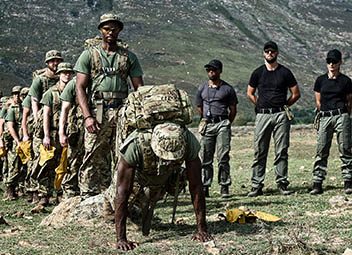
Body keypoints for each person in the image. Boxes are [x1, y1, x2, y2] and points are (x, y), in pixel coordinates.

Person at [75, 13, 144, 198]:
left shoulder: (129, 57)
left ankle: (118, 194)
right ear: (100, 30)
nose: (110, 32)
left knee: (124, 153)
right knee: (93, 153)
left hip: (122, 110)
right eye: (106, 28)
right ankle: (88, 194)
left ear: (119, 30)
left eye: (114, 28)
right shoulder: (88, 55)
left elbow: (139, 88)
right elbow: (80, 87)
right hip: (98, 110)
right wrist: (87, 116)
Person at [115, 122, 212, 251]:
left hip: (164, 177)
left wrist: (202, 229)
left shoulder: (188, 140)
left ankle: (148, 203)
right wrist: (121, 239)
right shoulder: (135, 144)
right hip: (138, 180)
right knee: (110, 209)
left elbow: (196, 186)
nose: (169, 160)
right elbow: (122, 191)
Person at [246, 41, 301, 197]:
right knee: (259, 150)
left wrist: (284, 106)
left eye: (272, 51)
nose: (270, 54)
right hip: (262, 114)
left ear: (277, 53)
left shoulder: (285, 72)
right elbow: (250, 93)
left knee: (281, 150)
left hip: (280, 115)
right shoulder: (257, 73)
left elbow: (296, 93)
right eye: (267, 51)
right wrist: (260, 104)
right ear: (263, 53)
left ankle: (282, 184)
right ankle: (256, 185)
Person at [310, 49, 352, 195]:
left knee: (346, 148)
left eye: (334, 61)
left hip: (341, 115)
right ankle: (317, 182)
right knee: (321, 149)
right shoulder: (320, 80)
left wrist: (345, 115)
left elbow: (349, 101)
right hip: (325, 116)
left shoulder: (346, 81)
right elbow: (318, 101)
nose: (331, 64)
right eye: (329, 61)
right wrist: (324, 114)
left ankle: (348, 181)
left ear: (340, 62)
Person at [195, 59, 238, 198]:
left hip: (222, 124)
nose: (211, 72)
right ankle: (205, 186)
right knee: (205, 157)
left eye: (213, 69)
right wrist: (205, 119)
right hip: (208, 124)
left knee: (223, 156)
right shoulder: (202, 88)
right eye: (208, 70)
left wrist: (226, 123)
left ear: (220, 71)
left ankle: (224, 186)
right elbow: (199, 107)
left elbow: (233, 109)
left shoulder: (227, 89)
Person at [35, 62, 74, 206]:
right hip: (52, 132)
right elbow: (46, 115)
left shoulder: (76, 91)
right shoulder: (51, 93)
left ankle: (59, 193)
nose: (67, 75)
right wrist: (46, 135)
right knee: (47, 164)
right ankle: (44, 194)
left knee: (65, 164)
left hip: (70, 133)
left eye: (69, 72)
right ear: (59, 74)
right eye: (64, 72)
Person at [58, 77, 84, 198]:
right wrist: (61, 133)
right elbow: (65, 109)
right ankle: (69, 195)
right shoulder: (74, 83)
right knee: (73, 162)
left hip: (96, 128)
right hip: (77, 130)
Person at [3, 86, 23, 200]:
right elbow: (10, 127)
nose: (17, 96)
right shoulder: (12, 109)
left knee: (23, 167)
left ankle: (19, 189)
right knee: (13, 165)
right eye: (15, 94)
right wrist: (17, 141)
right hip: (15, 141)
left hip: (24, 140)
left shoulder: (25, 108)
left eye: (18, 94)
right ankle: (9, 189)